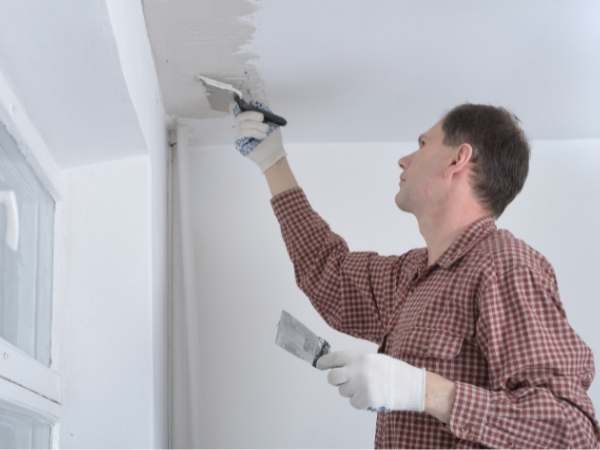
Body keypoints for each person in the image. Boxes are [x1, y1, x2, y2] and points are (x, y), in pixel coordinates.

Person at [232, 101, 600, 448]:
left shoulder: (505, 266)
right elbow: (330, 273)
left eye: (422, 144)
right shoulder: (414, 275)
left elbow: (574, 432)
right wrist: (272, 161)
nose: (403, 159)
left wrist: (425, 392)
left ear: (459, 159)